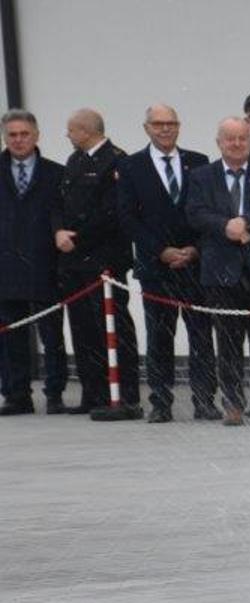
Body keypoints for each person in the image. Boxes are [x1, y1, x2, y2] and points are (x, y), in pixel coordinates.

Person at [115, 104, 214, 422]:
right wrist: (160, 250)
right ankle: (160, 402)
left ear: (179, 126)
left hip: (194, 266)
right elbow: (128, 217)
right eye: (158, 124)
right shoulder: (131, 166)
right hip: (156, 269)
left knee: (201, 337)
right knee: (159, 337)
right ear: (146, 128)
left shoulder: (199, 162)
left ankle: (204, 400)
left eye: (171, 123)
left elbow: (208, 210)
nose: (165, 129)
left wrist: (194, 249)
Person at [185, 116, 250, 426]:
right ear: (219, 142)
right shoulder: (202, 176)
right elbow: (195, 213)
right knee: (227, 343)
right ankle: (232, 403)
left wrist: (247, 222)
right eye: (230, 138)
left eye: (243, 138)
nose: (237, 143)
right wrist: (224, 226)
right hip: (221, 273)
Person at [52, 108, 138, 420]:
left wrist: (79, 237)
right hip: (74, 261)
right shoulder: (74, 161)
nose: (68, 135)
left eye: (71, 130)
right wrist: (59, 231)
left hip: (103, 259)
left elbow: (112, 212)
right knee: (82, 328)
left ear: (87, 130)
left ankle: (125, 394)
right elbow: (60, 202)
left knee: (113, 327)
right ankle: (93, 391)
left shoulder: (116, 160)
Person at [0, 109, 66, 415]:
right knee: (9, 336)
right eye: (12, 134)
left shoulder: (56, 173)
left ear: (36, 135)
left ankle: (55, 393)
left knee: (52, 336)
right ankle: (16, 394)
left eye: (24, 133)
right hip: (6, 267)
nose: (18, 140)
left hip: (45, 266)